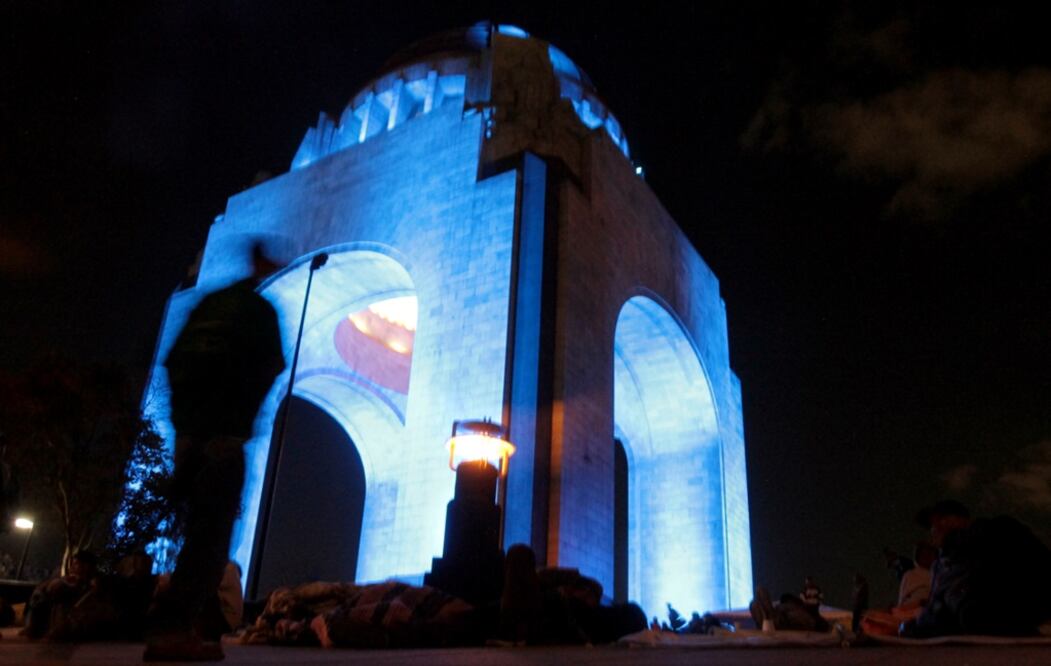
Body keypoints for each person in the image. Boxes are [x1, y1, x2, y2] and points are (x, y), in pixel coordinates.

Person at [144, 243, 285, 661]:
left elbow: (172, 362)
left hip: (189, 436)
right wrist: (237, 425)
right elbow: (269, 366)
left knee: (189, 532)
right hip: (223, 438)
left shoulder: (210, 304)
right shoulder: (258, 313)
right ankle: (172, 629)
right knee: (214, 536)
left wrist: (183, 426)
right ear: (261, 264)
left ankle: (190, 627)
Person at [900, 499, 1051, 638]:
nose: (935, 529)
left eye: (941, 520)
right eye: (933, 525)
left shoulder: (997, 530)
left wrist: (954, 539)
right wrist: (916, 625)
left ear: (959, 519)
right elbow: (939, 605)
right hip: (975, 615)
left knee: (971, 611)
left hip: (1020, 603)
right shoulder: (941, 565)